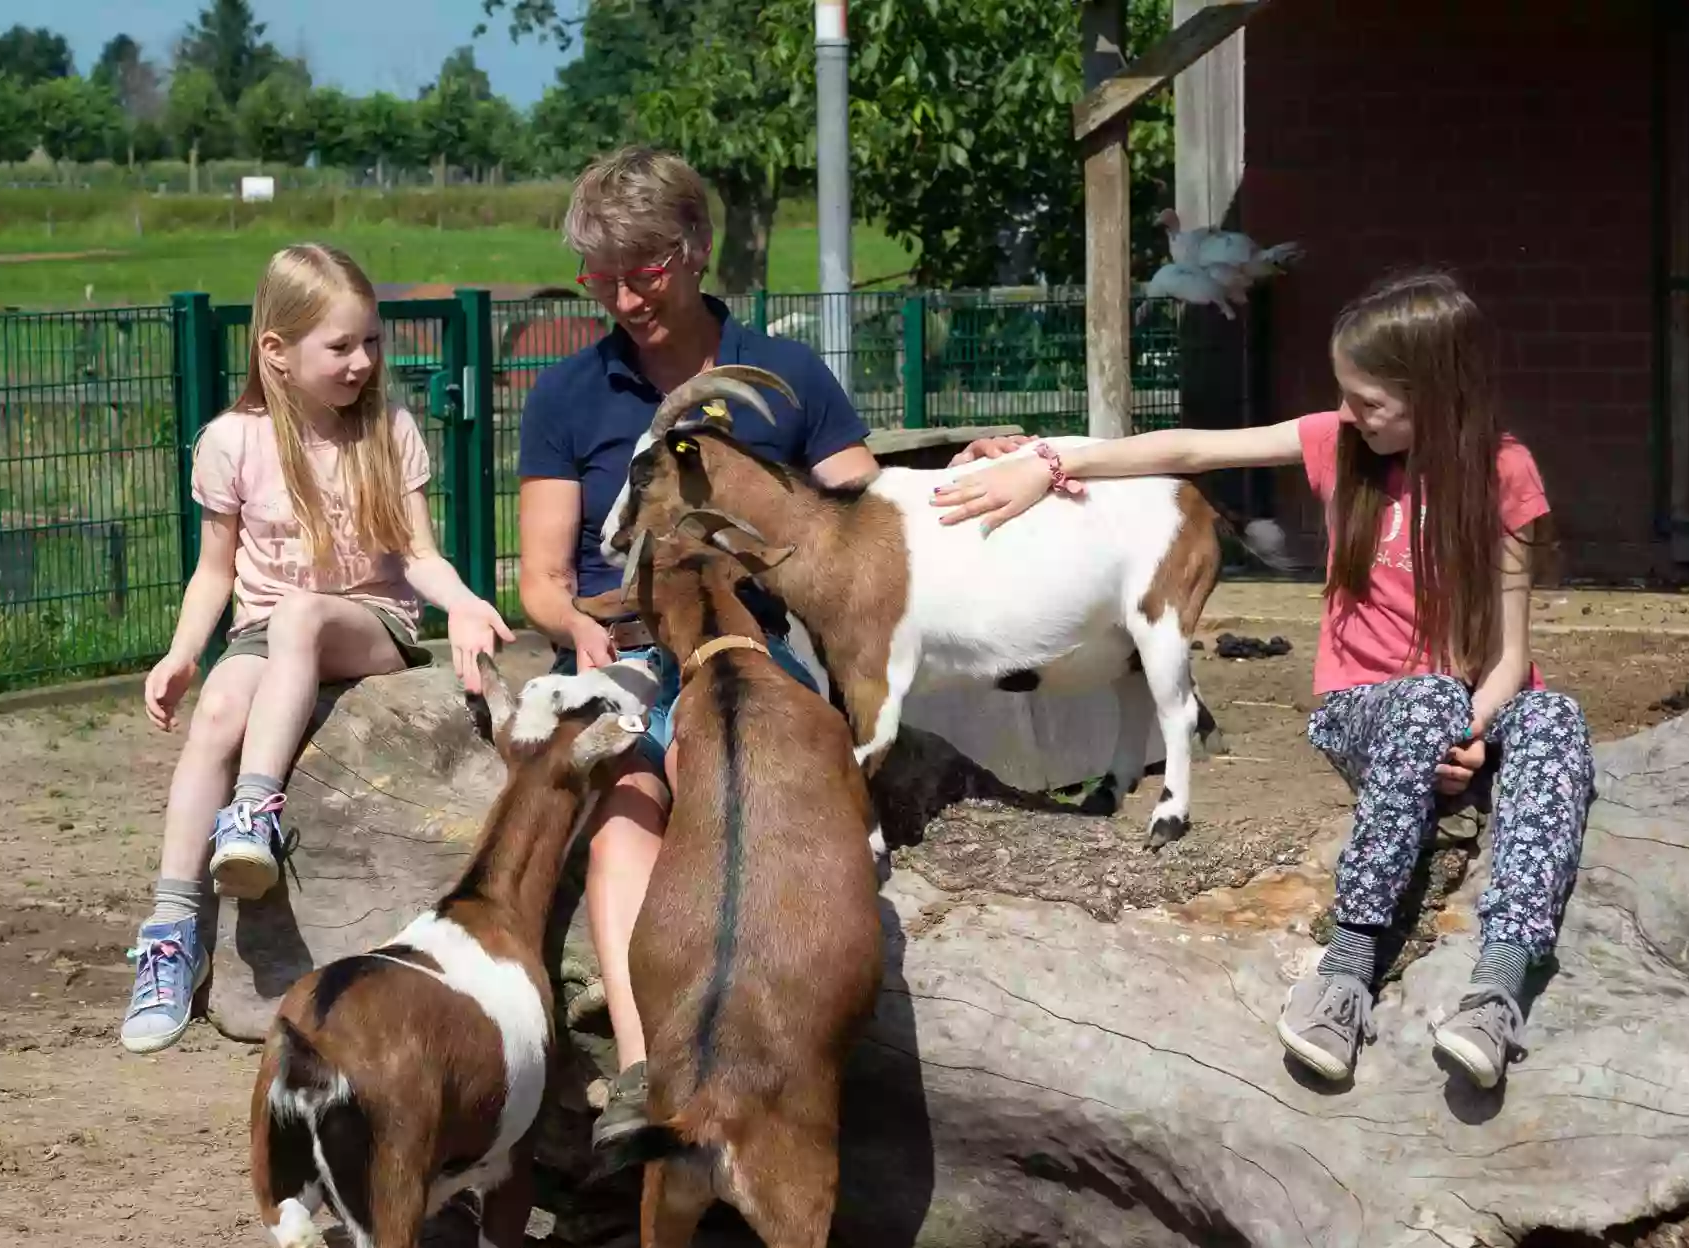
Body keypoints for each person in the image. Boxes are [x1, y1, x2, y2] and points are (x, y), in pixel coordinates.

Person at [931, 268, 1593, 1091]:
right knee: (1428, 696)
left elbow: (1508, 653)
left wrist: (1476, 730)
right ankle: (1346, 969)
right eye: (1344, 396)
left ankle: (1496, 988)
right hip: (1369, 708)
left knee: (1556, 715)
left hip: (1470, 710)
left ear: (1437, 392)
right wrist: (1048, 459)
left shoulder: (1505, 473)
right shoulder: (1340, 444)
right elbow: (1191, 447)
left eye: (1371, 401)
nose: (1352, 413)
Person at [516, 145, 881, 1149]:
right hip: (624, 651)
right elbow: (541, 580)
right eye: (603, 275)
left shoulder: (784, 376)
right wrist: (577, 628)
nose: (624, 297)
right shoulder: (566, 397)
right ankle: (642, 1076)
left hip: (756, 648)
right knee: (628, 803)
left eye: (646, 271)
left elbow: (863, 515)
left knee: (710, 767)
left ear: (695, 249)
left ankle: (754, 1052)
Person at [119, 242, 515, 1055]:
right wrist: (182, 652)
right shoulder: (230, 441)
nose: (363, 361)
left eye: (371, 341)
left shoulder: (388, 429)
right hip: (264, 629)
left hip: (369, 623)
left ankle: (255, 811)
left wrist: (468, 605)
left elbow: (419, 555)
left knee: (301, 615)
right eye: (341, 346)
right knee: (220, 709)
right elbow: (213, 571)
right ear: (277, 352)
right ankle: (170, 929)